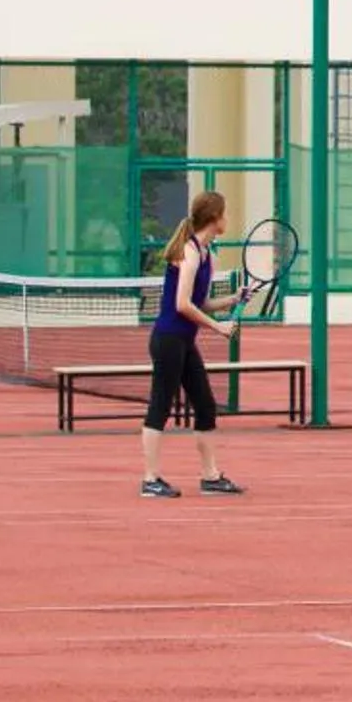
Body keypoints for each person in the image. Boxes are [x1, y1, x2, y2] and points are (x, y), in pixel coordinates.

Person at [141, 191, 246, 500]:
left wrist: (234, 299)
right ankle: (150, 479)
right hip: (168, 339)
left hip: (184, 341)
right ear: (214, 219)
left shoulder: (207, 254)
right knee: (160, 406)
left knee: (205, 405)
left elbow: (202, 302)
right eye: (224, 214)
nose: (227, 219)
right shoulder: (188, 252)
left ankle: (210, 477)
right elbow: (182, 304)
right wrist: (218, 327)